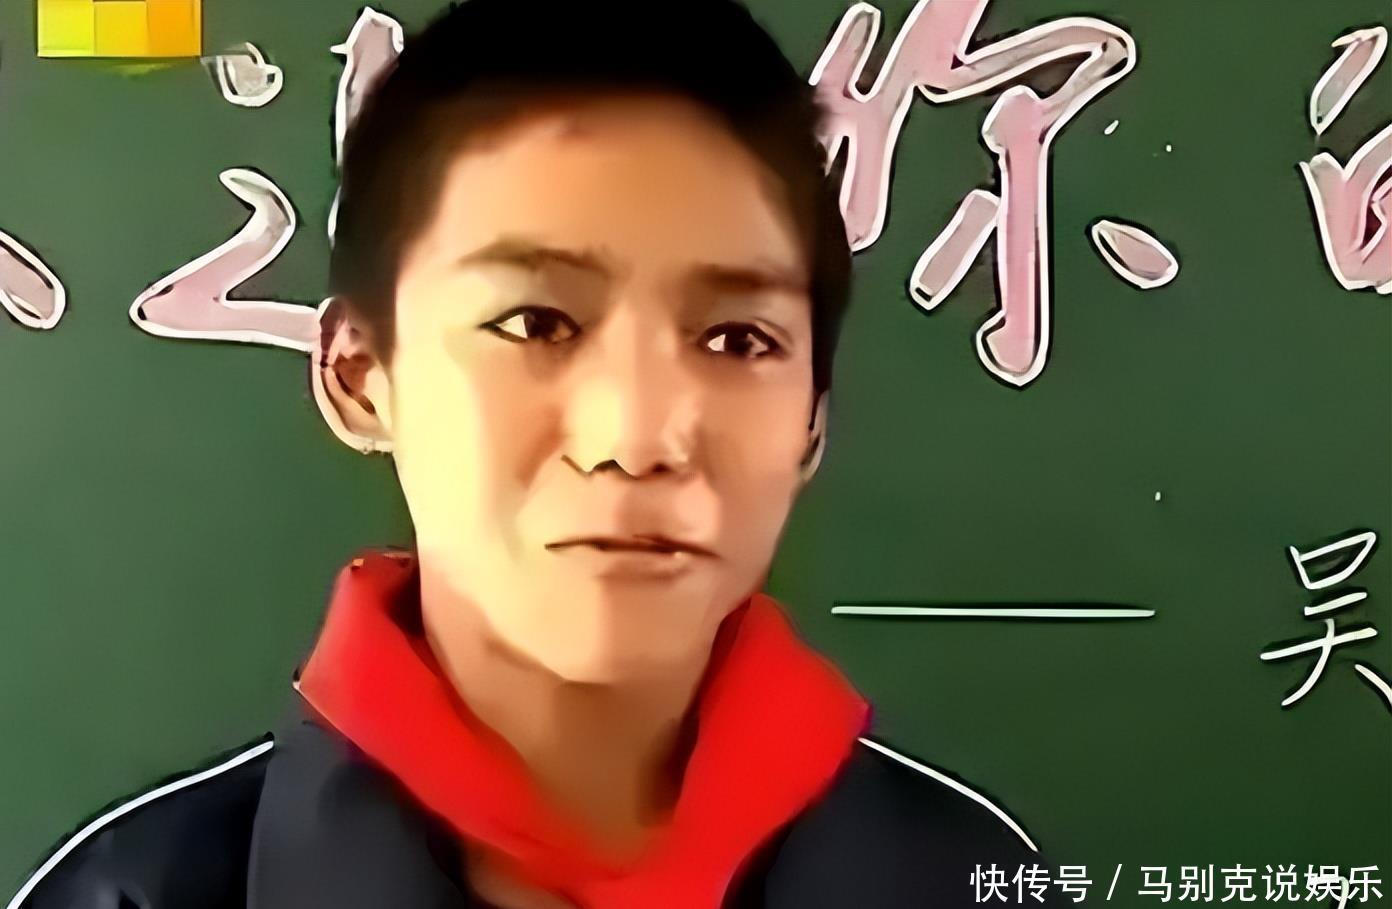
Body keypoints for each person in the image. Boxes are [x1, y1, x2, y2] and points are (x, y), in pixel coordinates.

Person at [8, 0, 1055, 906]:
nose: (637, 437)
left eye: (738, 339)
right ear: (361, 376)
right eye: (535, 324)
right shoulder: (138, 896)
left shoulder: (967, 878)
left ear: (812, 420)